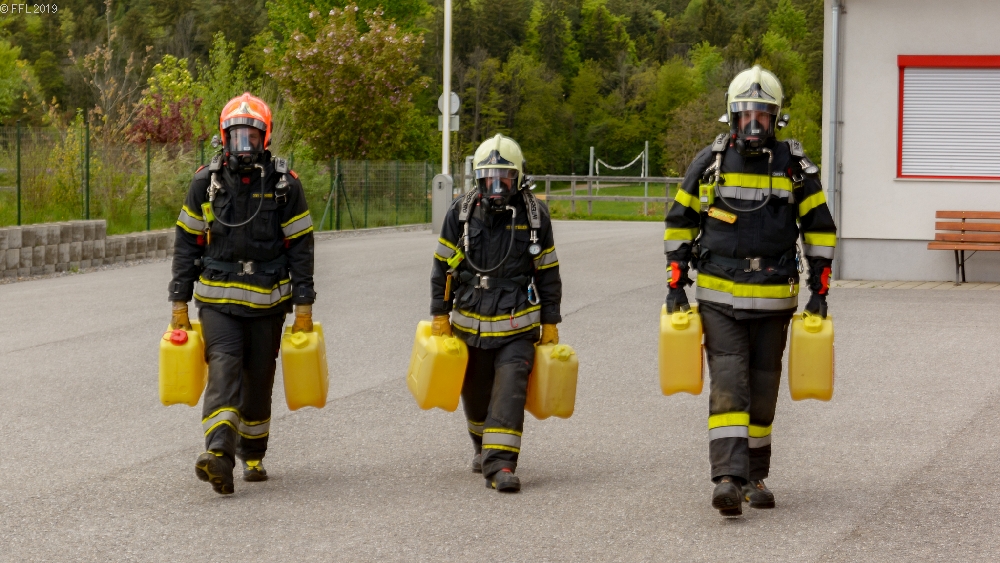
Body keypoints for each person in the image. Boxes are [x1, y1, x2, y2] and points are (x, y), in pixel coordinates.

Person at [663, 66, 837, 517]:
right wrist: (676, 283)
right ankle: (727, 478)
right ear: (732, 116)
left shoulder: (795, 168)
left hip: (775, 300)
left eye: (762, 115)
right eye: (745, 115)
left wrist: (820, 290)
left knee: (762, 391)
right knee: (729, 384)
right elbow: (680, 222)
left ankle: (755, 476)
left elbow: (819, 230)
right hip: (719, 299)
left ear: (775, 118)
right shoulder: (710, 163)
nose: (753, 123)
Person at [168, 93, 316, 495]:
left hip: (268, 303)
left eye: (251, 135)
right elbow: (186, 243)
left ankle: (253, 453)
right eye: (237, 136)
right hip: (218, 302)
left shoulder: (285, 185)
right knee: (224, 367)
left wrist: (304, 303)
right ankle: (218, 453)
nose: (244, 144)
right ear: (224, 137)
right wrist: (180, 300)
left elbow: (301, 247)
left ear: (264, 137)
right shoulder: (206, 183)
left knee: (259, 379)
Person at [429, 134, 562, 493]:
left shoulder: (535, 217)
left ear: (518, 178)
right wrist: (439, 314)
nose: (496, 186)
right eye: (488, 178)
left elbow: (548, 273)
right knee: (475, 396)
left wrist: (550, 321)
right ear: (477, 178)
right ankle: (481, 445)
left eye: (504, 177)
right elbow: (441, 268)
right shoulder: (460, 213)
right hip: (469, 324)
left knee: (510, 390)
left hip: (518, 326)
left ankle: (501, 465)